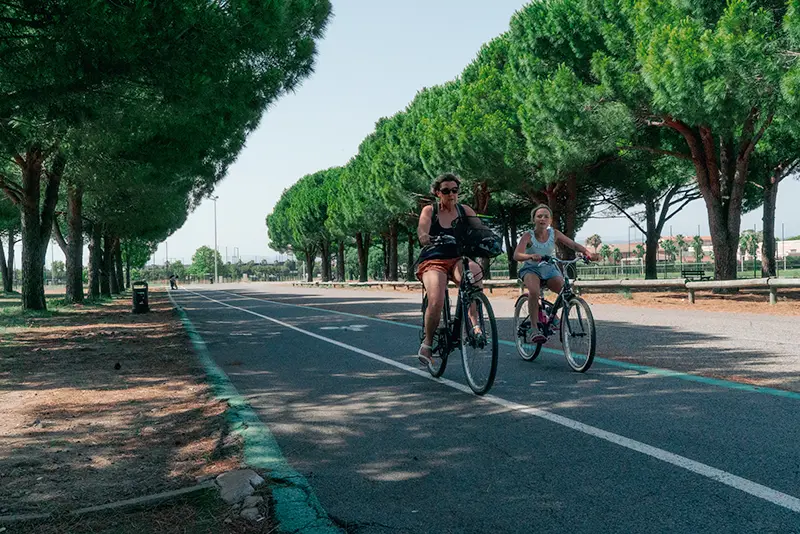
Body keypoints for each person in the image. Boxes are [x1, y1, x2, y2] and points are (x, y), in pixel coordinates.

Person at [415, 173, 483, 367]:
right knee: (437, 298)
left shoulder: (465, 210)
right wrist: (424, 236)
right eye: (446, 191)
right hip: (433, 260)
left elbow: (480, 229)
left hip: (458, 259)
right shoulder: (430, 210)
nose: (451, 194)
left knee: (475, 272)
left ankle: (474, 324)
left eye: (455, 190)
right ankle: (427, 344)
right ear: (438, 193)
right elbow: (422, 229)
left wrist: (485, 238)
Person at [513, 204, 597, 343]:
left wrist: (586, 252)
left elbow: (573, 244)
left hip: (549, 269)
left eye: (546, 216)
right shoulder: (528, 235)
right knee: (534, 292)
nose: (543, 219)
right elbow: (517, 255)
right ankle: (534, 329)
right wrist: (530, 256)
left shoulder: (555, 233)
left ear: (550, 220)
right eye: (539, 216)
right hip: (531, 269)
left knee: (565, 292)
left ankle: (551, 315)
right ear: (534, 219)